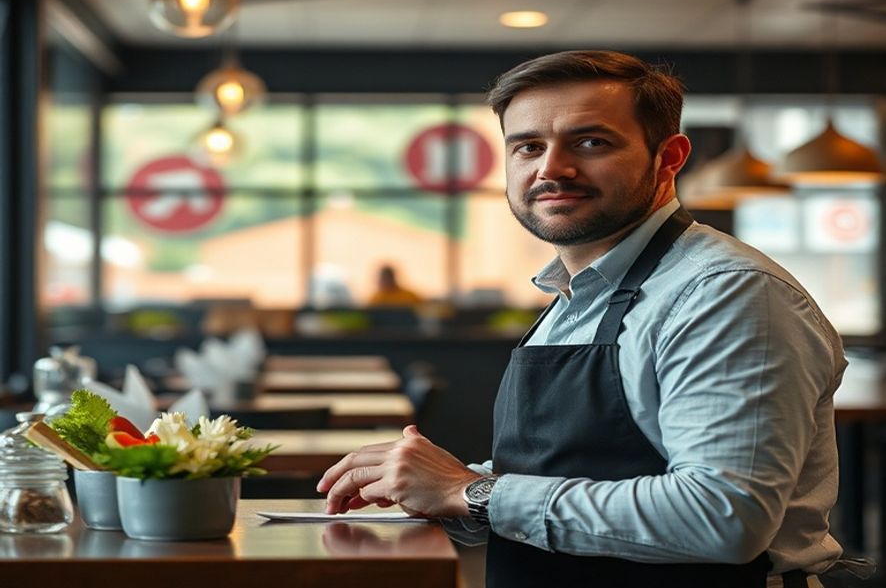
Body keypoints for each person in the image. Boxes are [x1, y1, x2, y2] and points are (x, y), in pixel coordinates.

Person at [317, 51, 848, 587]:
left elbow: (723, 517)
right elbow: (573, 474)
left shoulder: (726, 294)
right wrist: (438, 490)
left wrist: (471, 493)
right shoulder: (574, 292)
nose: (551, 168)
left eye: (591, 142)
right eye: (528, 146)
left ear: (669, 158)